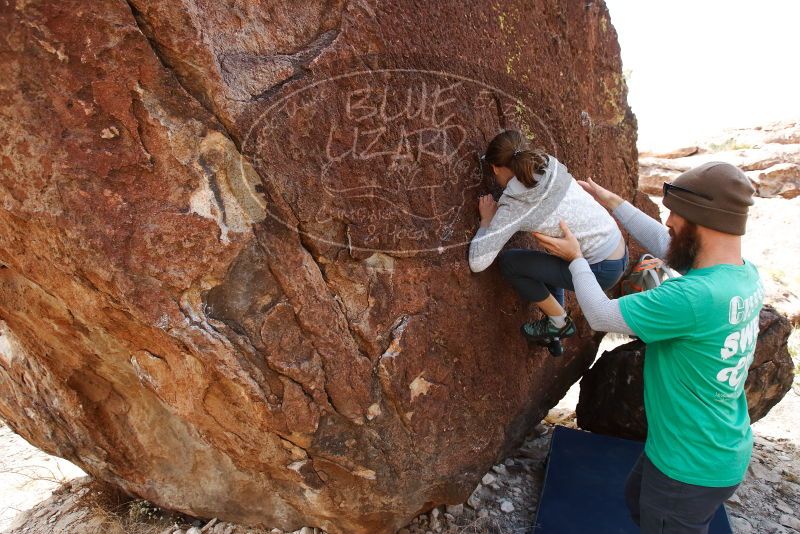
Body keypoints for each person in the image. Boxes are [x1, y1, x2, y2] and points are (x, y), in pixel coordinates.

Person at [535, 161, 763, 534]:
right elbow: (670, 245)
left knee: (657, 517)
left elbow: (602, 315)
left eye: (676, 213)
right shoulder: (739, 274)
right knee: (636, 498)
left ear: (702, 221)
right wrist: (615, 203)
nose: (669, 220)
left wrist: (576, 259)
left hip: (687, 469)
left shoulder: (692, 297)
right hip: (716, 448)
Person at [468, 129, 628, 342]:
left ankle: (559, 323)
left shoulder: (516, 204)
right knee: (554, 249)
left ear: (496, 168)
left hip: (600, 270)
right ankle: (555, 331)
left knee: (510, 263)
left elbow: (477, 262)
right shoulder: (549, 164)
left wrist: (487, 222)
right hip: (617, 246)